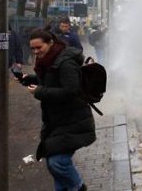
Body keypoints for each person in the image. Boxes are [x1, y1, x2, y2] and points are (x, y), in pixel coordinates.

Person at [23, 28, 95, 191]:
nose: (35, 52)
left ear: (50, 43)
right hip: (56, 120)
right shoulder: (48, 60)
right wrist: (29, 79)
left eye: (39, 47)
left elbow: (71, 91)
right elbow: (51, 81)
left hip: (73, 120)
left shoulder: (65, 62)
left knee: (58, 162)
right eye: (32, 49)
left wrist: (39, 91)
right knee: (53, 162)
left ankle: (78, 187)